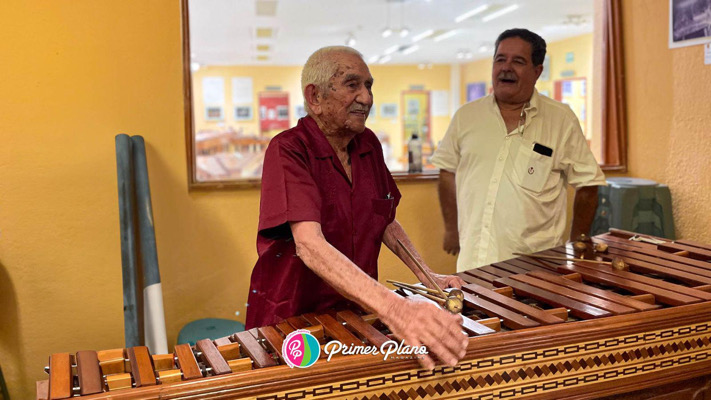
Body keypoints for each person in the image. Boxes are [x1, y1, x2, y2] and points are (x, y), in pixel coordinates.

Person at [245, 46, 468, 370]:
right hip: (293, 320)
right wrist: (397, 310)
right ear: (315, 97)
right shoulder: (288, 149)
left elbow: (385, 221)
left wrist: (427, 275)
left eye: (369, 85)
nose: (366, 97)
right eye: (352, 85)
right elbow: (308, 244)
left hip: (354, 314)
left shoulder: (368, 145)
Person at [431, 29, 605, 272]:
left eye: (518, 61)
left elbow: (588, 184)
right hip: (473, 266)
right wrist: (451, 228)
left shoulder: (560, 119)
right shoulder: (466, 117)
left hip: (536, 270)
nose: (506, 67)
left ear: (537, 71)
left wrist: (577, 244)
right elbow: (447, 170)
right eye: (500, 59)